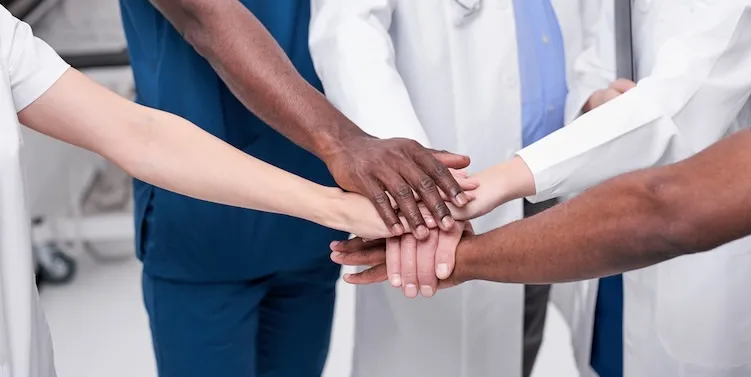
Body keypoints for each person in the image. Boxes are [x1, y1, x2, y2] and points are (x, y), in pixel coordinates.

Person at [332, 0, 751, 375]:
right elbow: (600, 47)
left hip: (705, 250)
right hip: (605, 223)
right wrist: (593, 100)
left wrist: (491, 183)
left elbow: (684, 105)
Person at [0, 7, 471, 376]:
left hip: (319, 209)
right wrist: (344, 143)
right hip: (204, 217)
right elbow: (205, 19)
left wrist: (349, 195)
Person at [308, 1, 598, 375]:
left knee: (519, 346)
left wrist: (589, 97)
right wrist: (408, 175)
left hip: (551, 173)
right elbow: (348, 32)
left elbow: (589, 27)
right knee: (433, 352)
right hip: (442, 183)